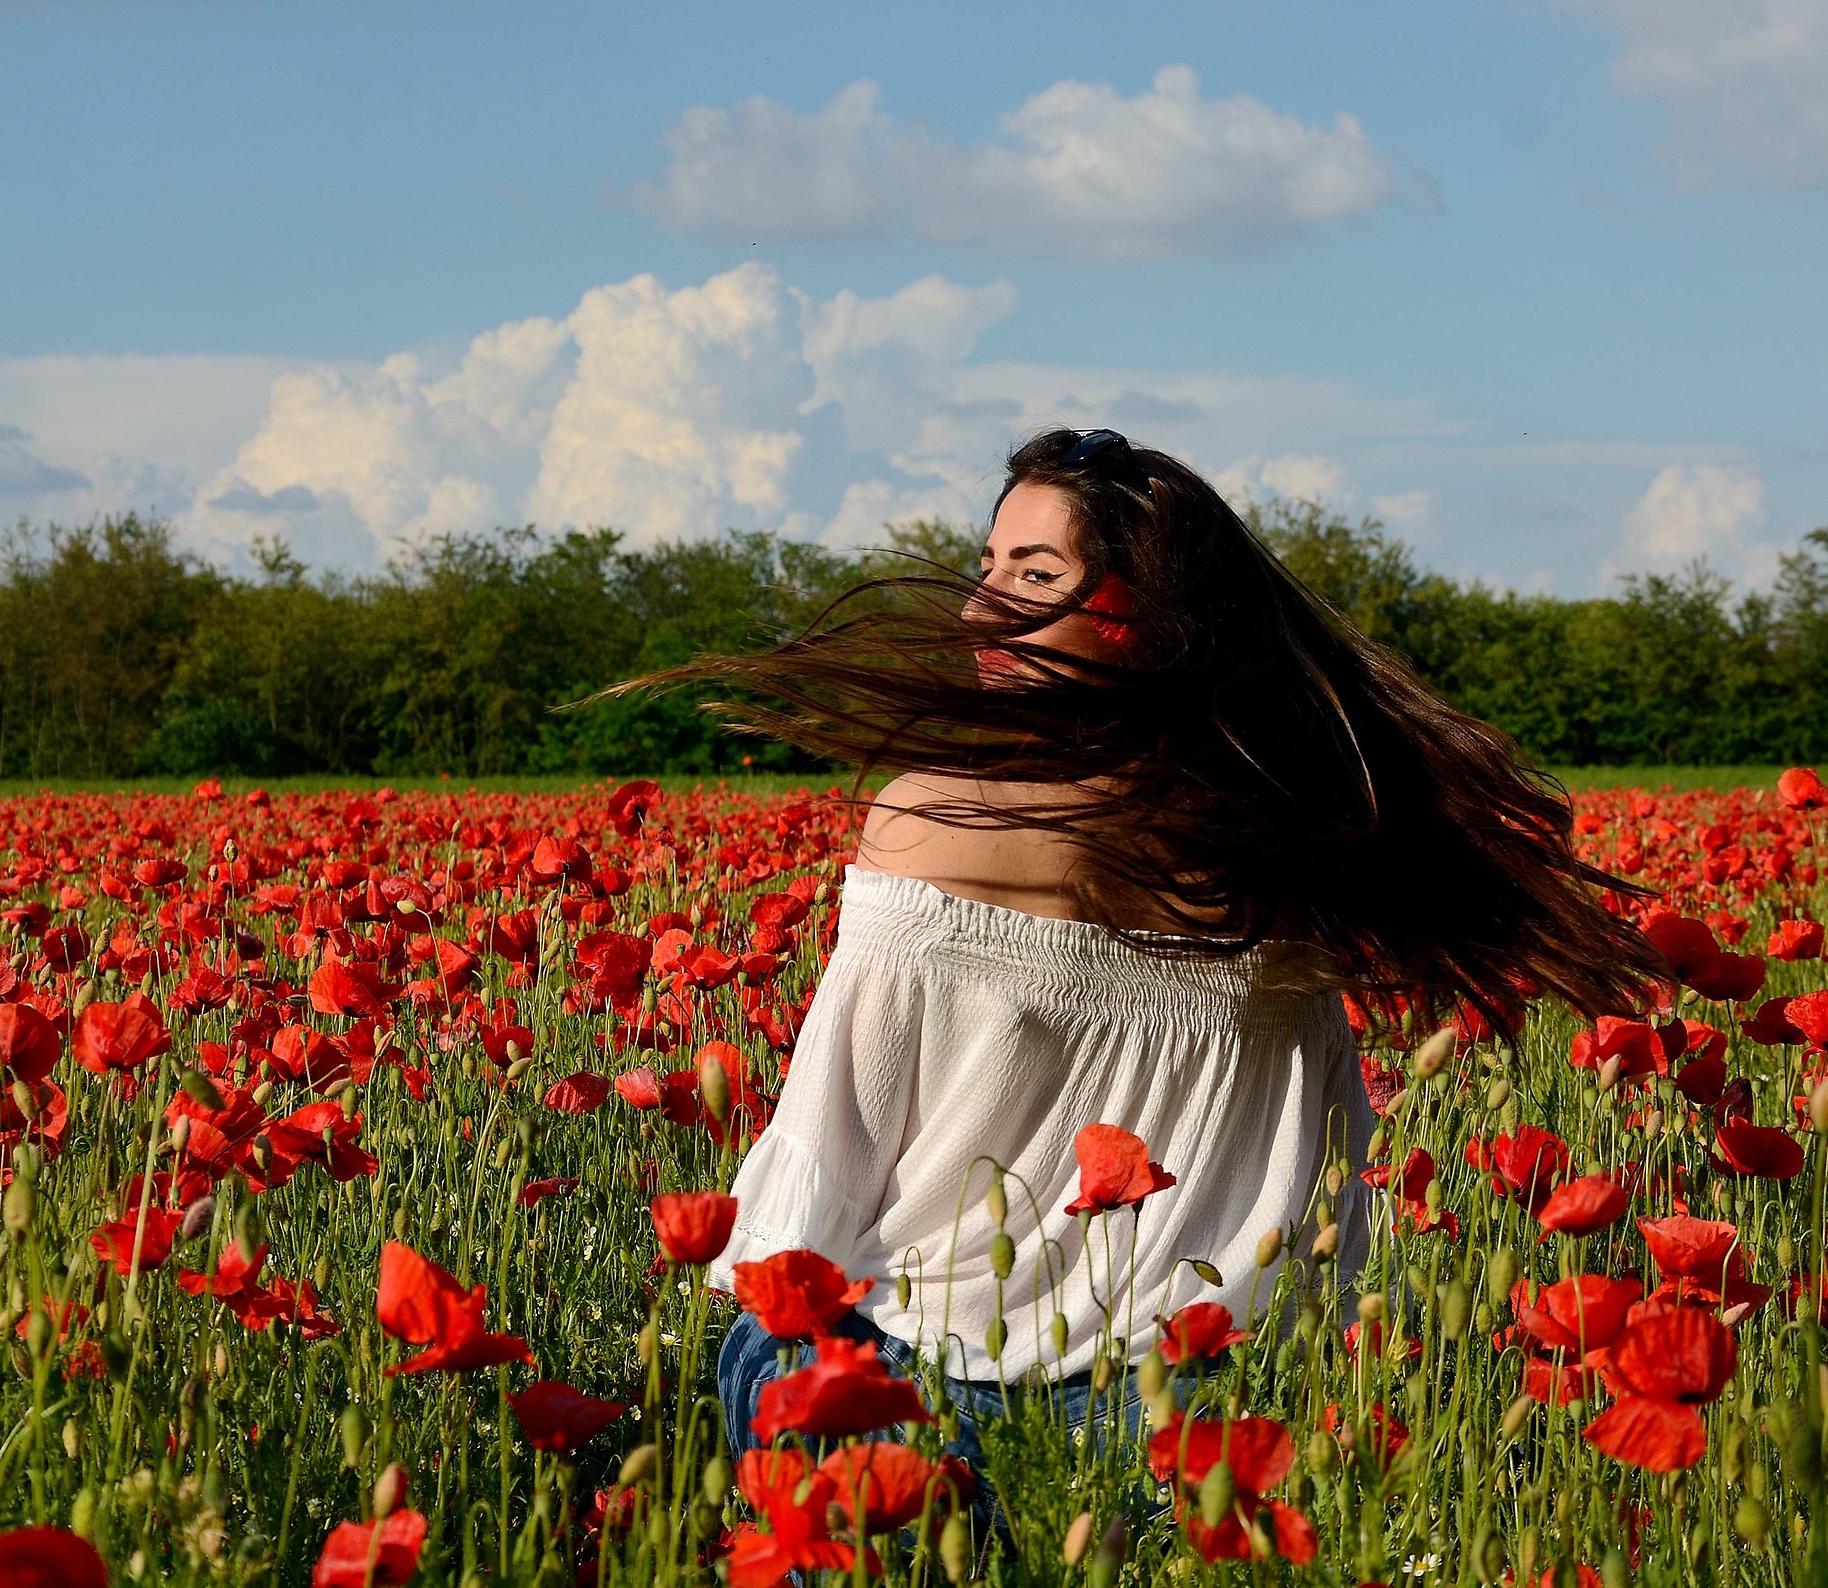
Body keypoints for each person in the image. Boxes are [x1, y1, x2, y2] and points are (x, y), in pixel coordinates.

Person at [617, 426, 1662, 1539]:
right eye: (989, 570)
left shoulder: (930, 819)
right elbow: (1327, 1204)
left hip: (904, 1403)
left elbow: (826, 1163)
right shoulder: (1296, 850)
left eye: (1034, 575)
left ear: (1152, 612)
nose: (981, 610)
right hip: (1189, 1420)